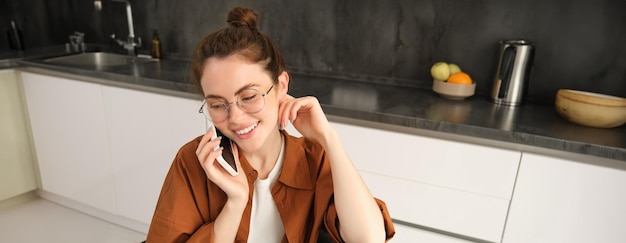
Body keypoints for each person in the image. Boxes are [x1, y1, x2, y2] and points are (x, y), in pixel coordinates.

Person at [146, 6, 395, 243]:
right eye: (217, 104)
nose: (235, 118)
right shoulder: (193, 163)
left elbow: (368, 238)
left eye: (249, 97)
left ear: (282, 85)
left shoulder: (312, 159)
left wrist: (329, 138)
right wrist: (234, 203)